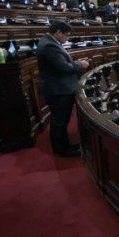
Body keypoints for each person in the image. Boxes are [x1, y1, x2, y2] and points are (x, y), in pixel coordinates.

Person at [36, 21, 90, 157]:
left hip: (59, 88)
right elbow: (63, 68)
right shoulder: (49, 45)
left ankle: (63, 145)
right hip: (58, 90)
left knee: (60, 120)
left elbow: (64, 63)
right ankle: (62, 149)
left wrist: (76, 63)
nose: (67, 38)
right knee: (60, 121)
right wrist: (81, 65)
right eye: (66, 35)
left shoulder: (49, 42)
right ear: (58, 32)